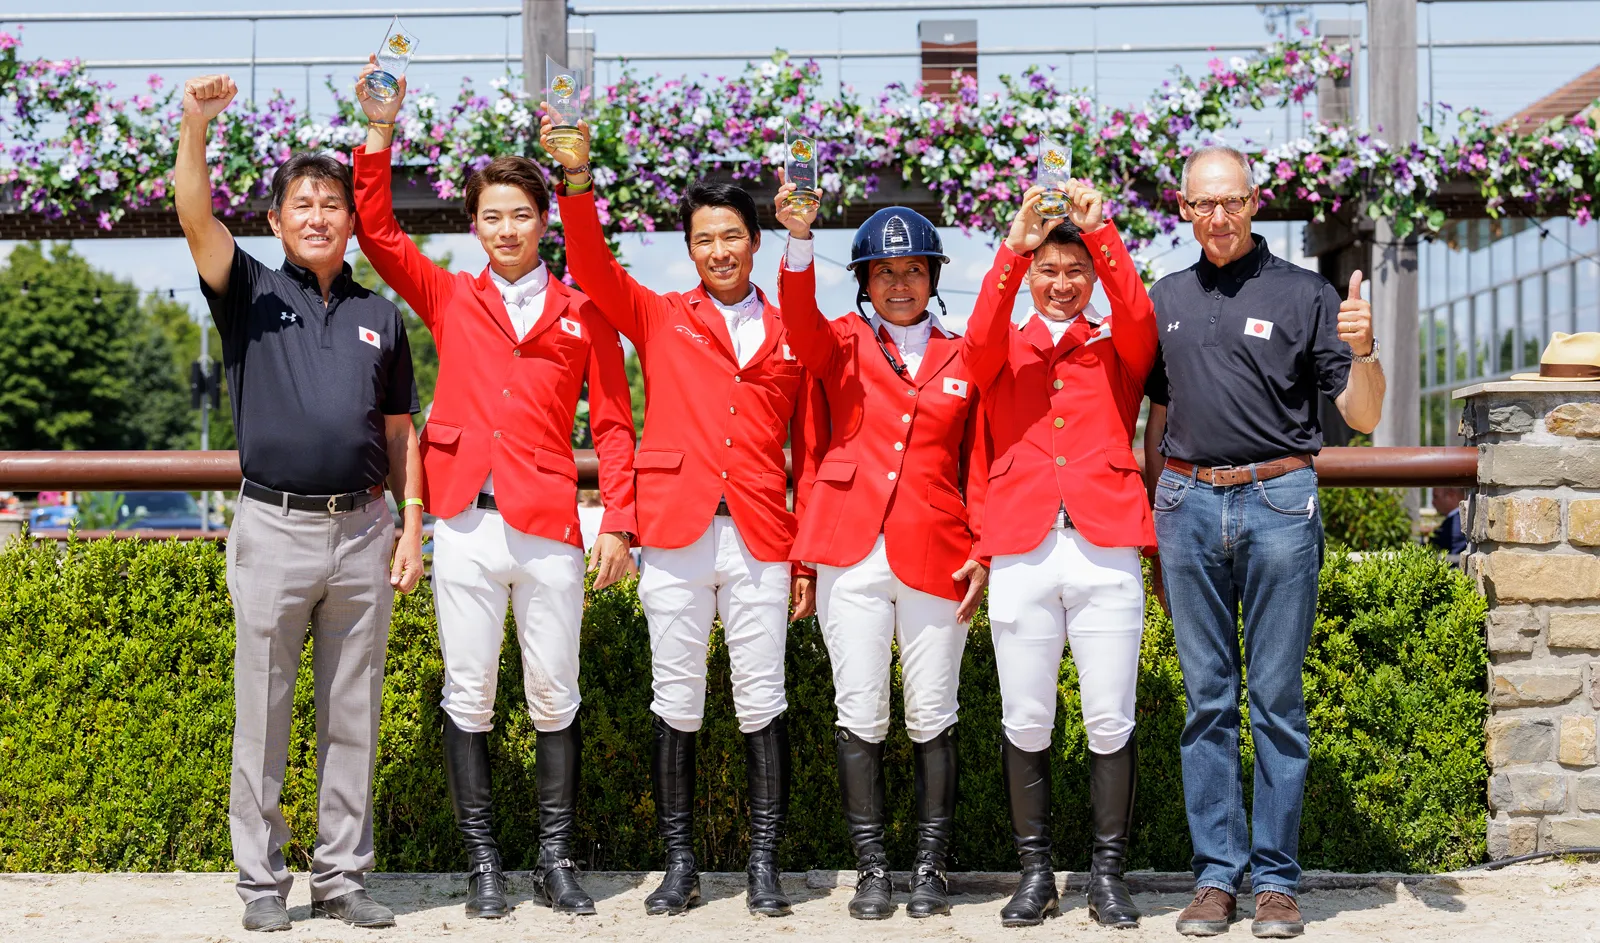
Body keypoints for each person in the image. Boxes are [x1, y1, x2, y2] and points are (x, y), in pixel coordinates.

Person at [352, 61, 638, 920]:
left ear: (544, 221)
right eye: (491, 216)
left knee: (556, 689)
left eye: (521, 214)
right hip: (464, 521)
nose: (507, 228)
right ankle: (484, 863)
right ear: (473, 225)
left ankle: (555, 860)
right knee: (467, 691)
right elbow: (374, 230)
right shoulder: (448, 294)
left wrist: (619, 518)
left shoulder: (586, 310)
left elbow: (618, 426)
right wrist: (378, 131)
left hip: (551, 519)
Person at [541, 115, 828, 918]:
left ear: (755, 241)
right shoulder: (661, 313)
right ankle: (681, 863)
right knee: (677, 697)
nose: (719, 251)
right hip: (674, 529)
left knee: (762, 696)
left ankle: (764, 863)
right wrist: (575, 182)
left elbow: (808, 454)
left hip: (763, 533)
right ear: (690, 248)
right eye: (704, 239)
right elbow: (592, 265)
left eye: (732, 236)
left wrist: (806, 555)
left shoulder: (793, 331)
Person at [174, 73, 424, 933]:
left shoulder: (381, 317)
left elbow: (400, 433)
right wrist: (195, 124)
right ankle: (259, 882)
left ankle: (344, 876)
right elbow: (193, 214)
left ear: (351, 222)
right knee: (264, 711)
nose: (318, 216)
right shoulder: (246, 288)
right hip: (272, 525)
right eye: (301, 204)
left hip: (364, 530)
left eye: (332, 204)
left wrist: (410, 524)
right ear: (276, 221)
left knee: (353, 711)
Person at [1141, 145, 1384, 939]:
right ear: (1183, 208)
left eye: (1232, 202)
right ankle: (1216, 875)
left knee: (1276, 700)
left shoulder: (1306, 293)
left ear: (1255, 202)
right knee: (1206, 702)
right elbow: (1154, 411)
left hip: (1281, 500)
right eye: (1202, 205)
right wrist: (1155, 507)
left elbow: (1367, 416)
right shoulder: (1164, 296)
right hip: (1186, 501)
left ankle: (1276, 879)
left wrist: (1366, 351)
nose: (1218, 217)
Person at [774, 185, 989, 921]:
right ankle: (872, 869)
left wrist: (984, 548)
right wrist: (799, 242)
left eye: (913, 270)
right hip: (849, 551)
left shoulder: (966, 355)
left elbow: (981, 462)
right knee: (860, 709)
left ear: (932, 276)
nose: (900, 283)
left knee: (932, 711)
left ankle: (929, 864)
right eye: (885, 272)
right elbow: (796, 320)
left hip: (937, 550)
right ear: (865, 281)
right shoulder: (837, 342)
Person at [963, 182, 1158, 929]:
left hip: (1105, 541)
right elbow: (975, 348)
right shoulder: (1002, 344)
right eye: (1050, 268)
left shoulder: (1117, 345)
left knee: (1111, 717)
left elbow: (1139, 317)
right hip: (1021, 543)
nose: (1063, 281)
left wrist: (1102, 232)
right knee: (1026, 716)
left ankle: (1108, 875)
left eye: (1074, 268)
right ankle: (1036, 872)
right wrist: (1013, 252)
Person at [1429, 487, 1468, 556]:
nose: (1432, 502)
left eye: (1436, 496)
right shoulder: (1461, 519)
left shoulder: (1455, 524)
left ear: (1451, 495)